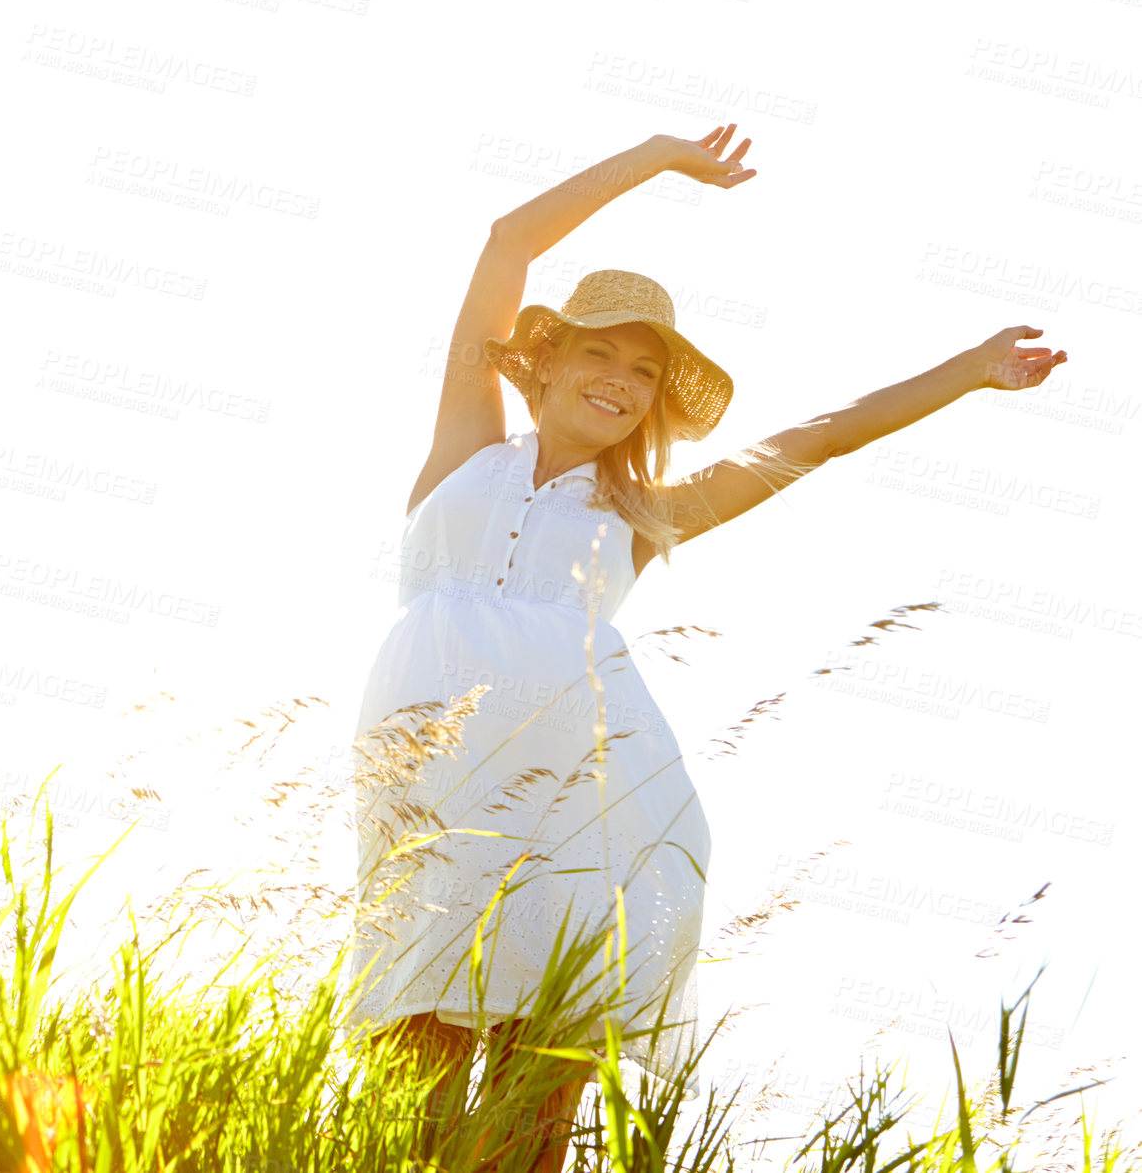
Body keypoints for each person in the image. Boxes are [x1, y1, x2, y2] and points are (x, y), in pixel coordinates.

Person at [340, 124, 1068, 1173]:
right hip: (431, 768)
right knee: (420, 1037)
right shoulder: (465, 446)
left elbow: (815, 438)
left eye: (644, 371)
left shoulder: (640, 512)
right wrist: (659, 158)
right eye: (600, 350)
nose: (621, 380)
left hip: (590, 787)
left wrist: (969, 370)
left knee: (541, 1055)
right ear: (542, 360)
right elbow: (505, 245)